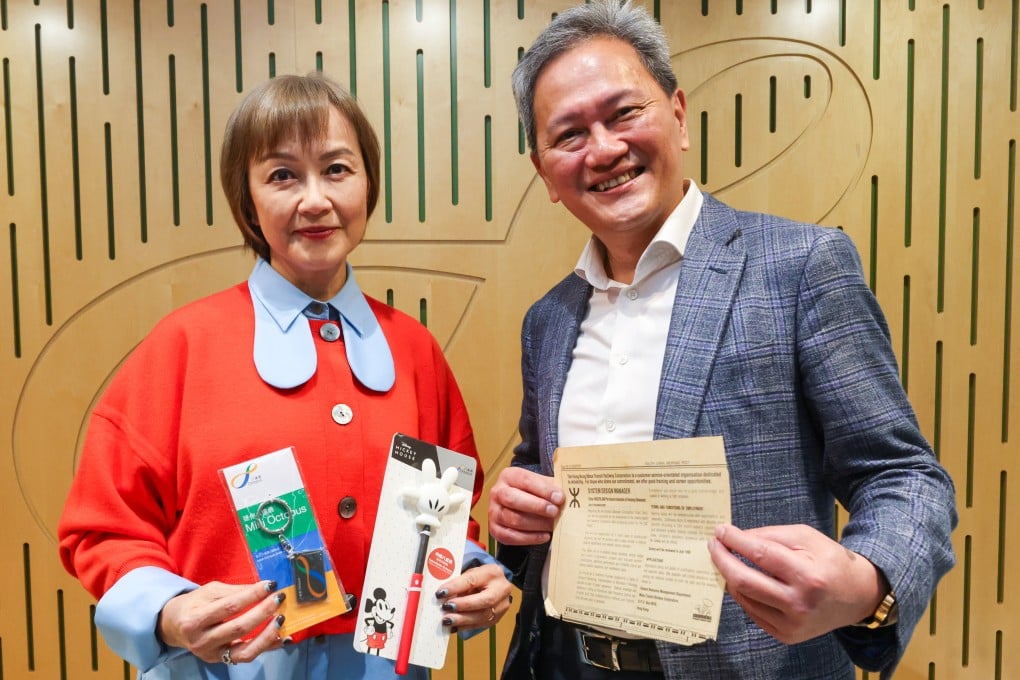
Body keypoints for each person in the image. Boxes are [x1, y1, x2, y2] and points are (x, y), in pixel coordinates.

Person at [487, 2, 957, 679]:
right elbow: (540, 470)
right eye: (569, 134)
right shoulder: (549, 318)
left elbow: (903, 475)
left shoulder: (799, 266)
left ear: (678, 114)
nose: (604, 148)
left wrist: (863, 586)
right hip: (564, 661)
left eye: (624, 113)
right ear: (545, 172)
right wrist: (519, 504)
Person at [58, 73, 512, 679]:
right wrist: (168, 610)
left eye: (337, 170)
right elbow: (104, 526)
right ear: (247, 202)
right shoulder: (182, 345)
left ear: (369, 183)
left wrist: (471, 570)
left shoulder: (415, 350)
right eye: (282, 176)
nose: (315, 200)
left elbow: (447, 513)